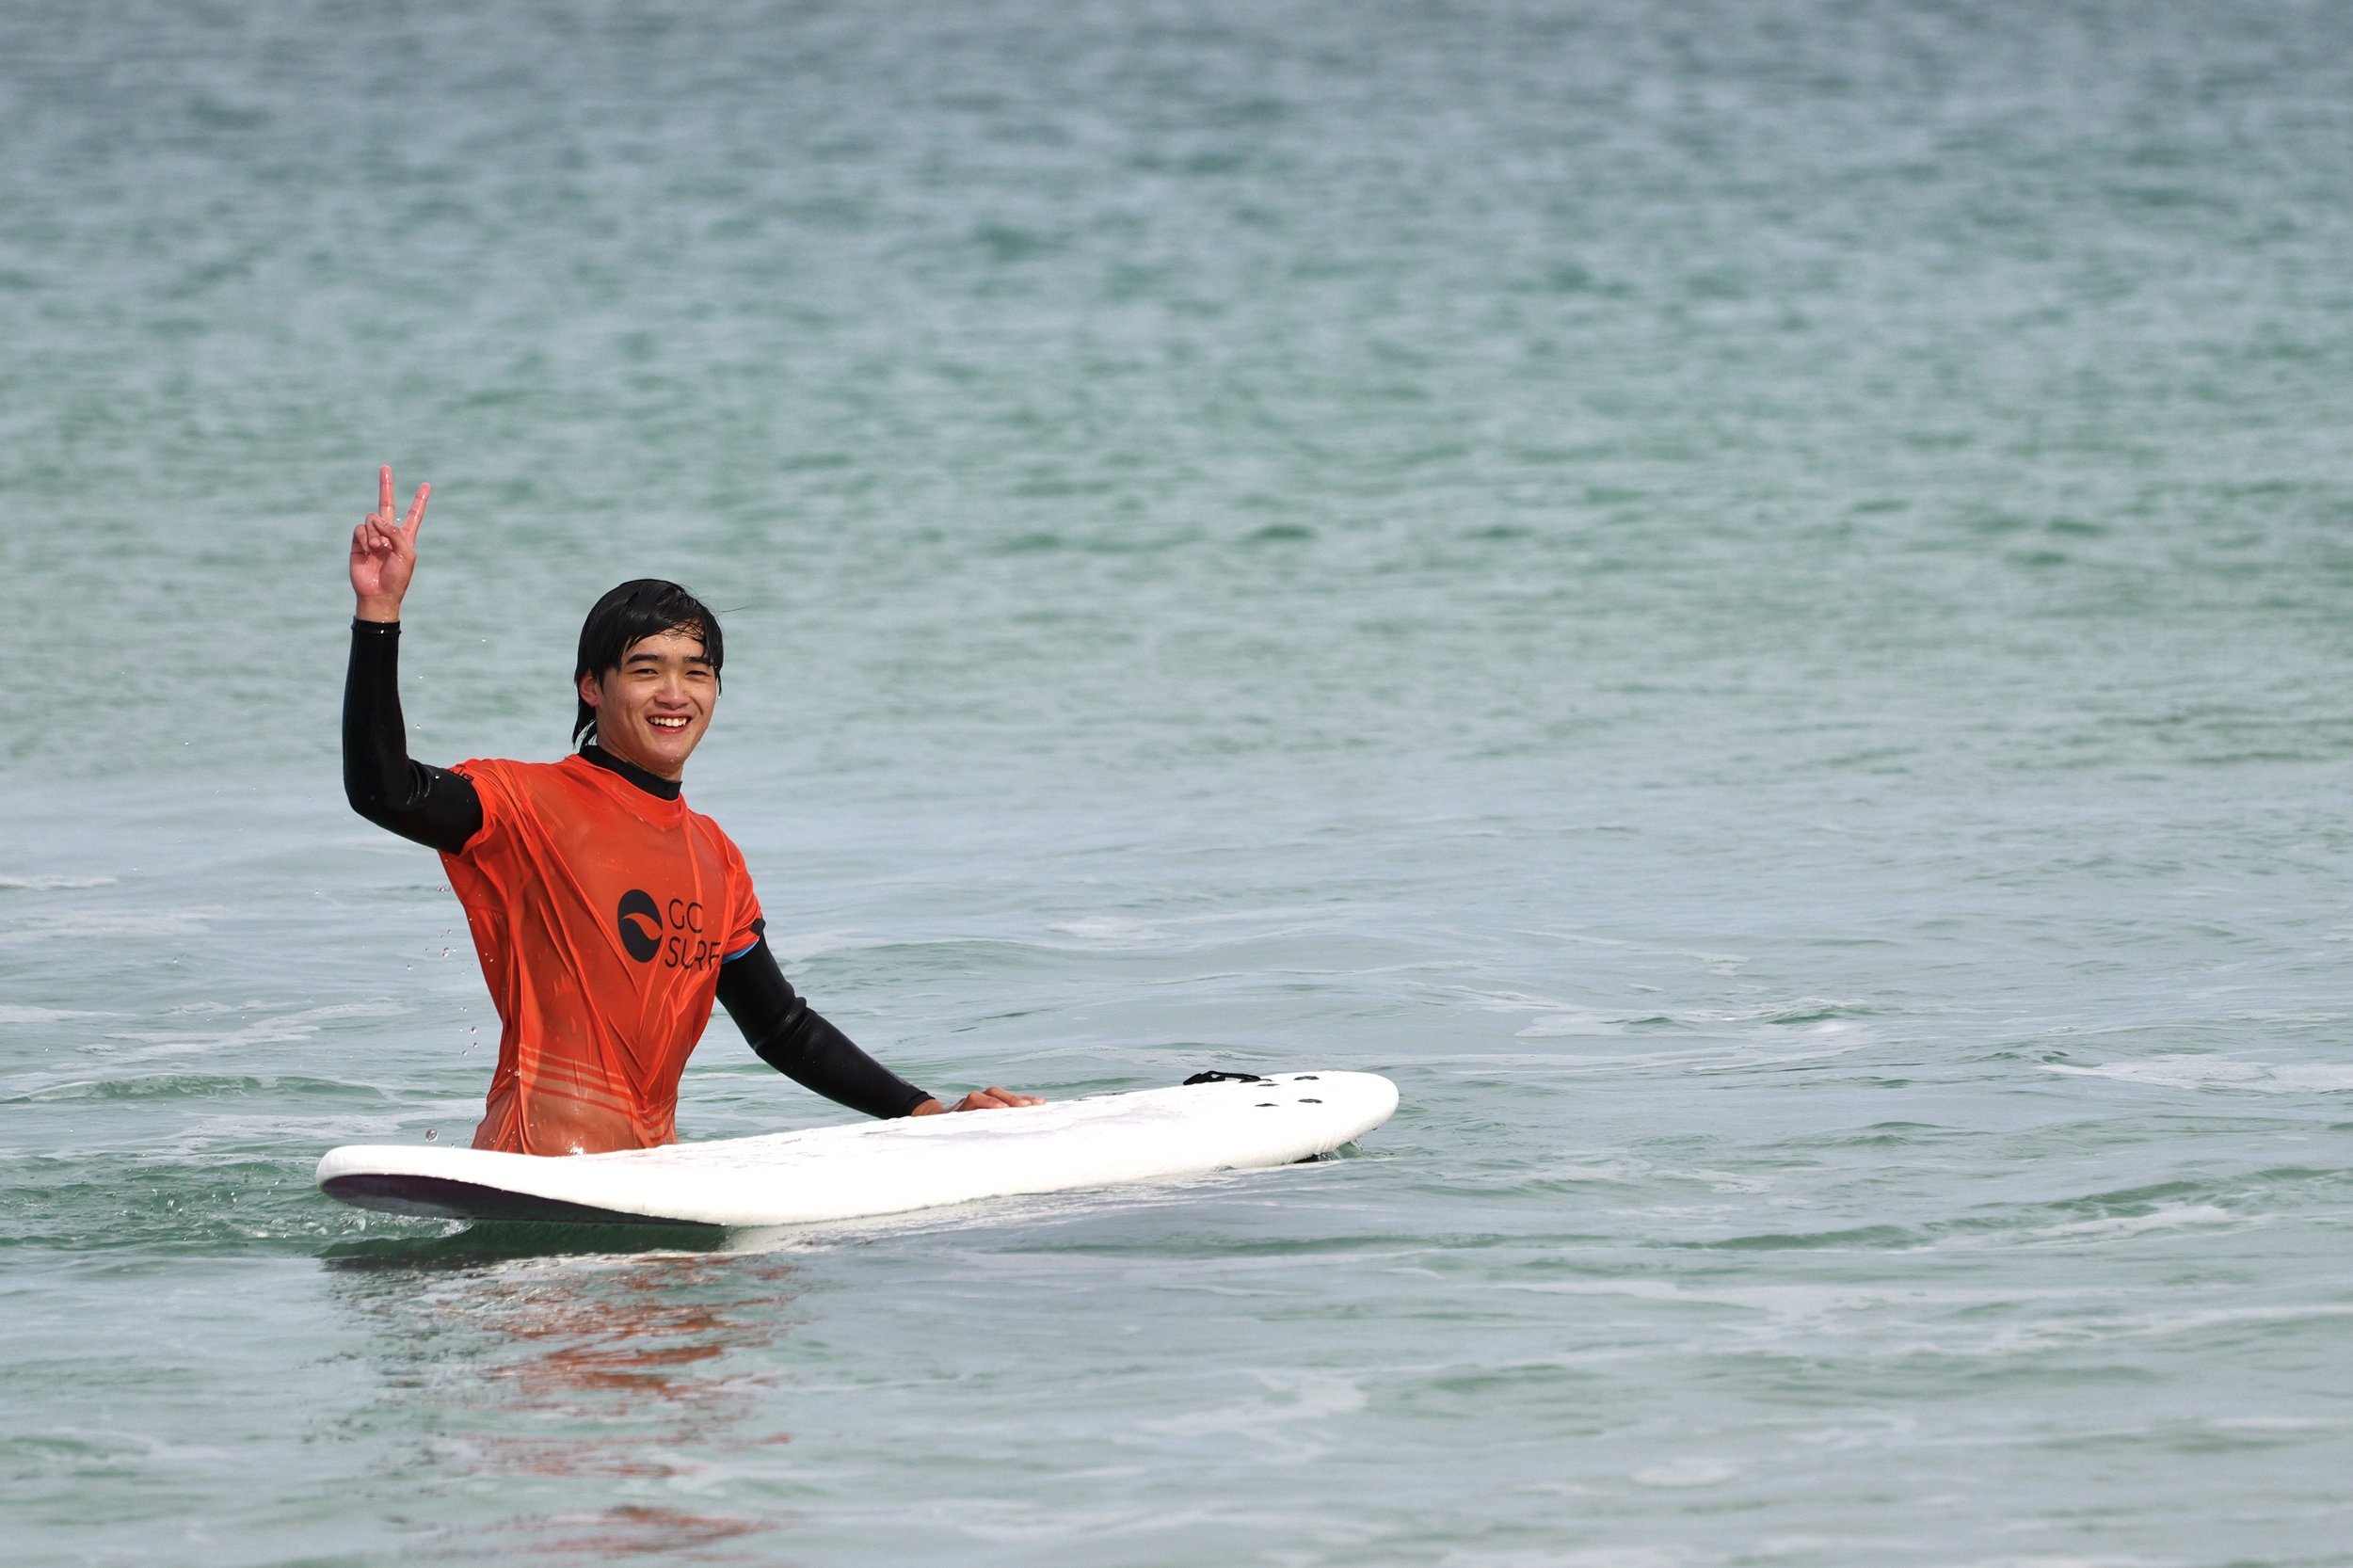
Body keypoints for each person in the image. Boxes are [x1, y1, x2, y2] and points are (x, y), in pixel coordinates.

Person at [342, 466, 1038, 1155]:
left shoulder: (714, 858)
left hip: (650, 1185)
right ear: (592, 686)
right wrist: (379, 615)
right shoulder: (528, 804)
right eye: (646, 670)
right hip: (538, 1175)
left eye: (696, 672)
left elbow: (782, 1027)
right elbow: (386, 791)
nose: (675, 693)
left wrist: (925, 1112)